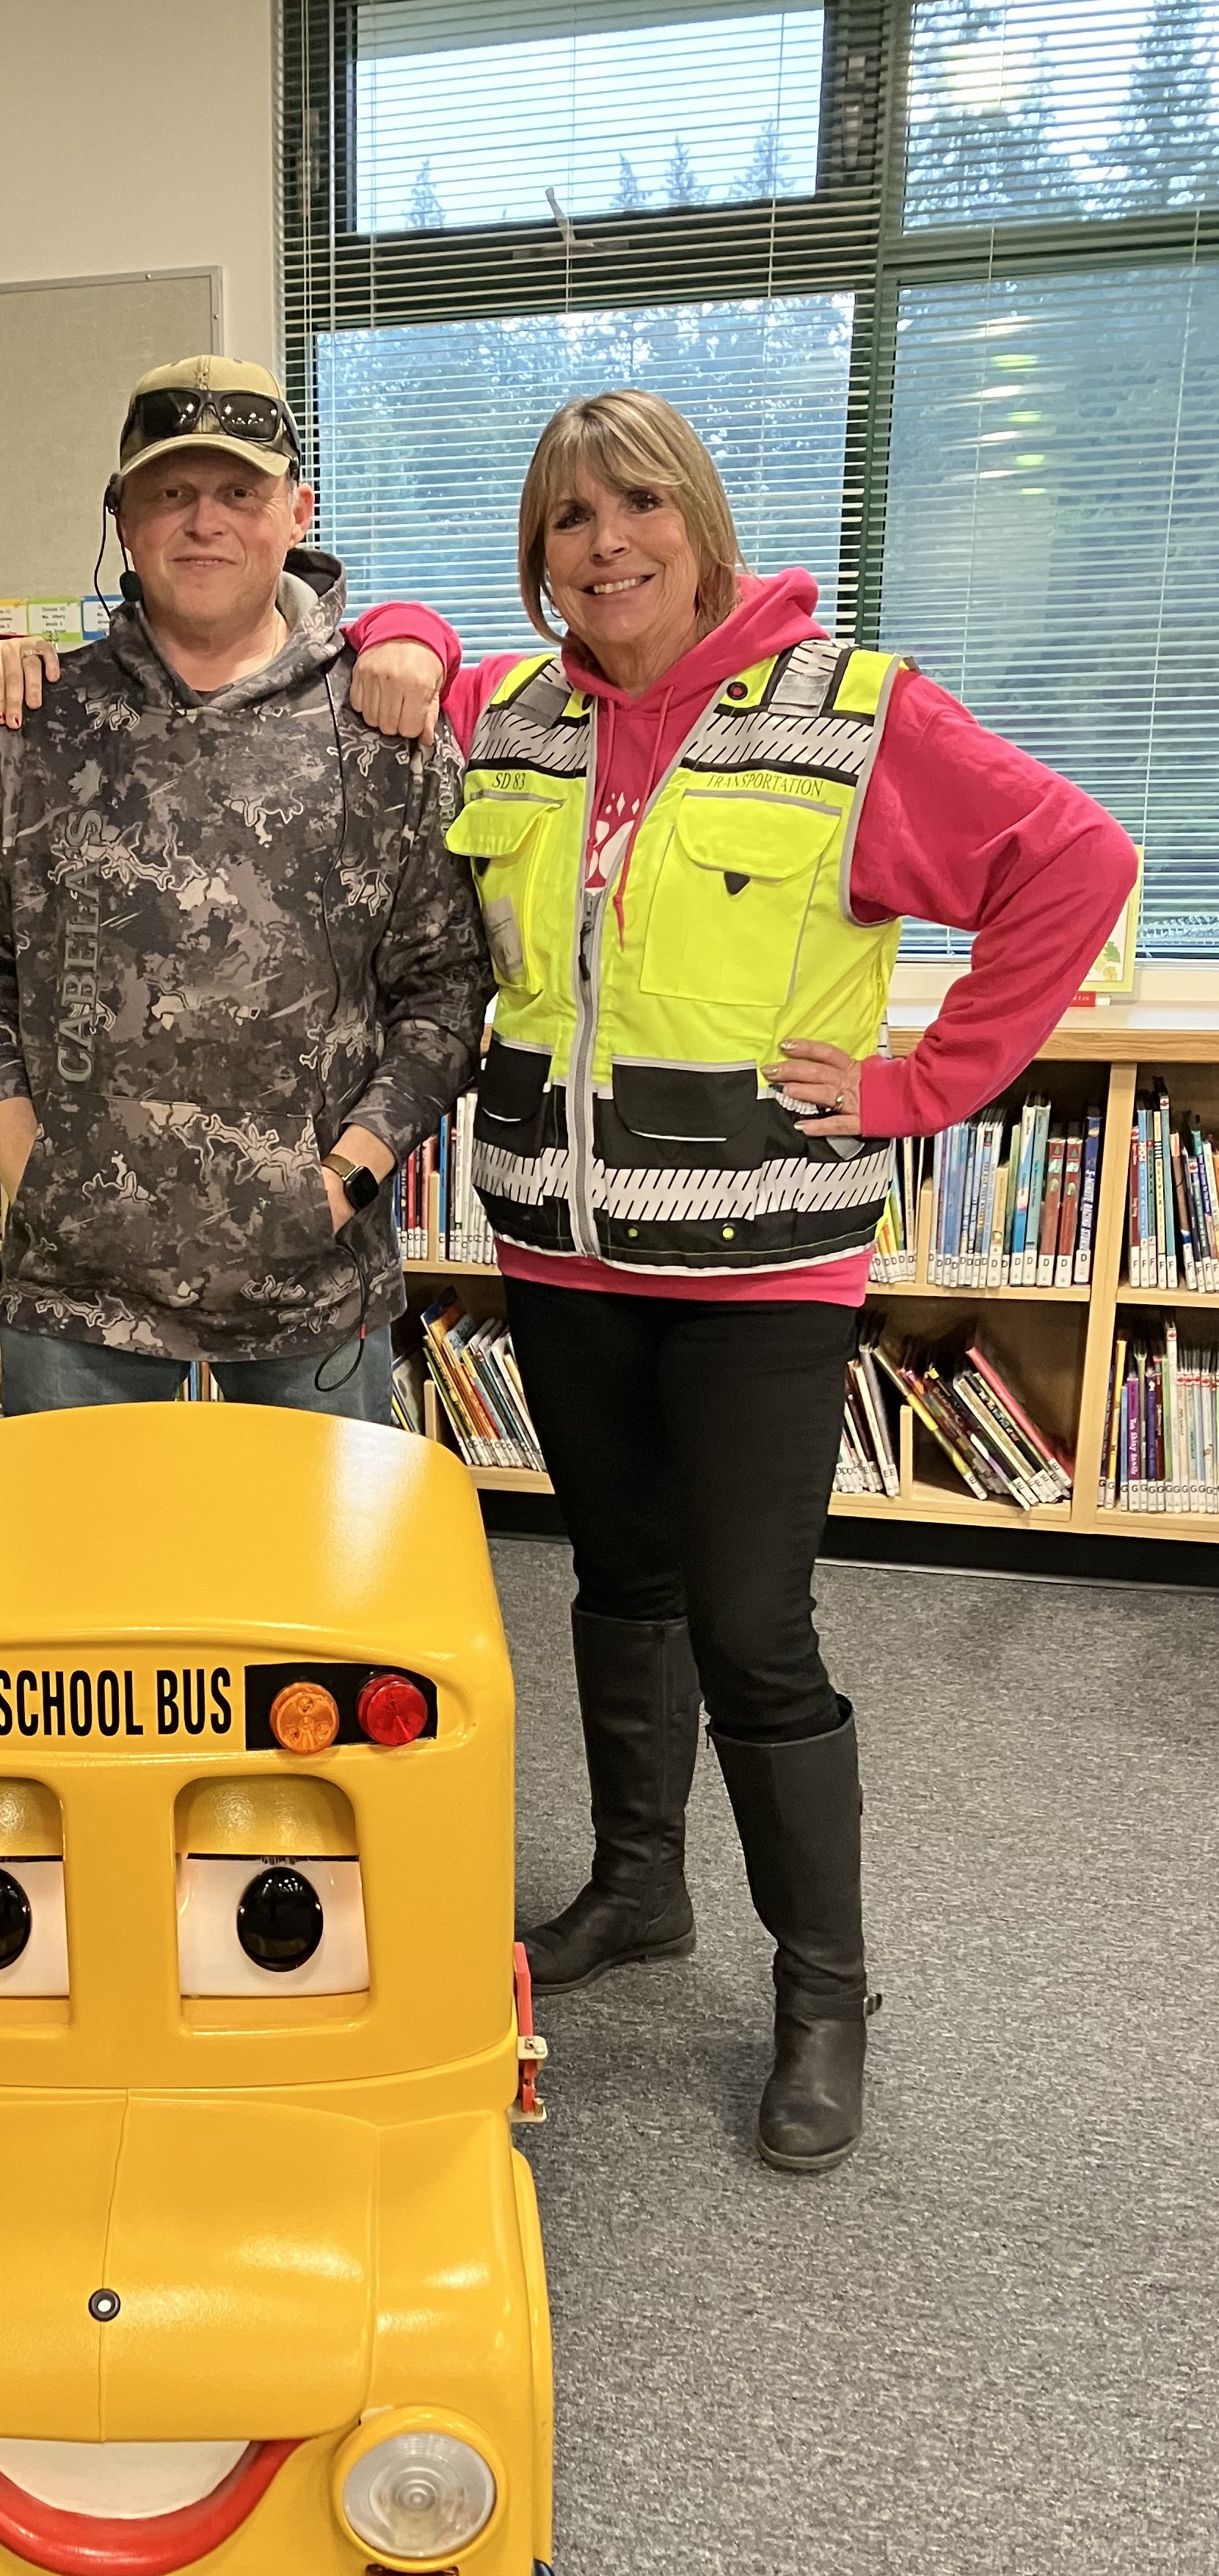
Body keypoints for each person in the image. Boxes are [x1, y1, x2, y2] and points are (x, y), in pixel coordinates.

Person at [330, 390, 1136, 2173]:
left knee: (755, 1626)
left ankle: (822, 1988)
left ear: (698, 521)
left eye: (636, 504)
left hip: (764, 1259)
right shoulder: (514, 717)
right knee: (617, 1578)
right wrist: (402, 624)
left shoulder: (846, 714)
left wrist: (928, 1084)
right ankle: (639, 1885)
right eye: (566, 517)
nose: (605, 542)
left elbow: (1077, 859)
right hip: (561, 1245)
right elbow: (378, 650)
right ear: (538, 556)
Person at [0, 356, 487, 1420]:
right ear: (122, 519)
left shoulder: (386, 728)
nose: (204, 522)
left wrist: (342, 1186)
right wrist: (34, 1175)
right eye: (171, 493)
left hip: (314, 1289)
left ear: (297, 513)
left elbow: (445, 993)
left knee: (316, 1541)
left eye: (239, 491)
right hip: (80, 1300)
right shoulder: (36, 723)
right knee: (83, 1539)